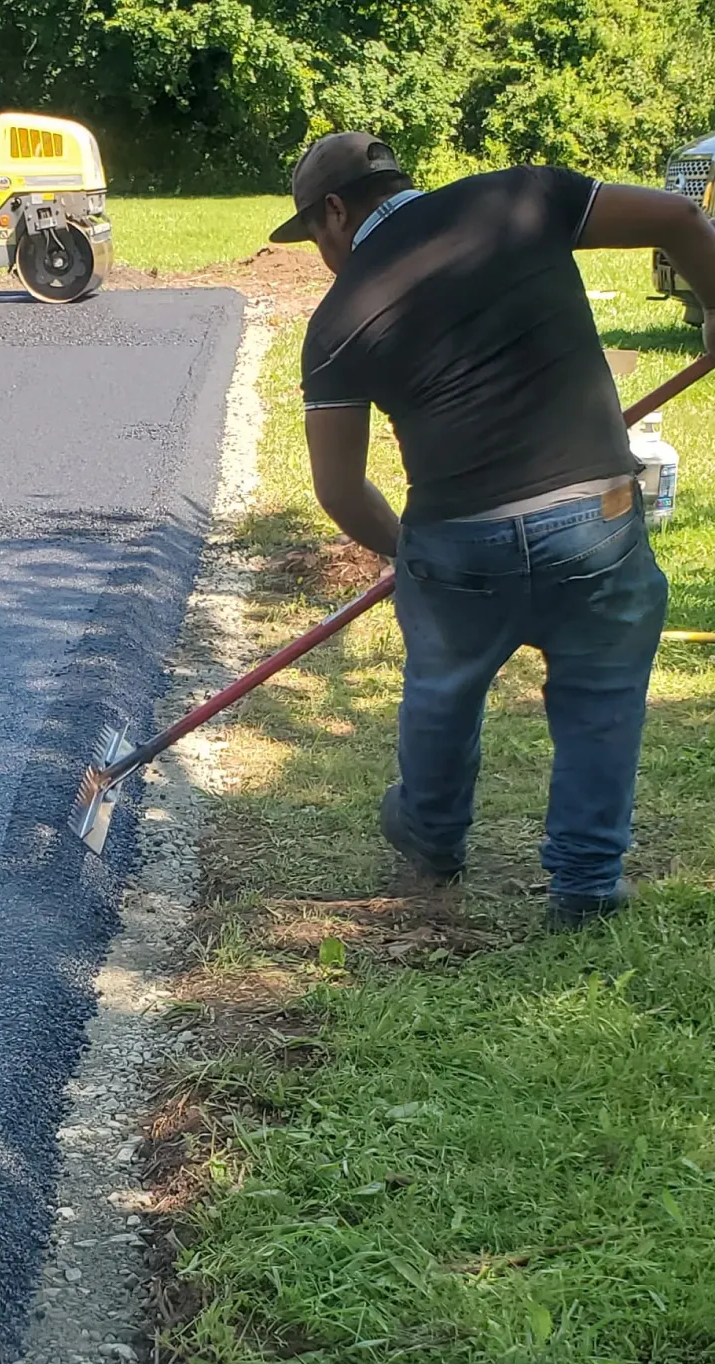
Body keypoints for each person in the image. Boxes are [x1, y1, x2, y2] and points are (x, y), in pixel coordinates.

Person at [269, 132, 715, 929]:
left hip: (457, 539)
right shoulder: (517, 198)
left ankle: (431, 837)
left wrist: (412, 556)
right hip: (595, 520)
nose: (321, 255)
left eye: (312, 234)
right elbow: (680, 215)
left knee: (441, 690)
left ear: (334, 210)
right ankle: (584, 883)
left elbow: (337, 489)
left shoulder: (336, 321)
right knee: (600, 695)